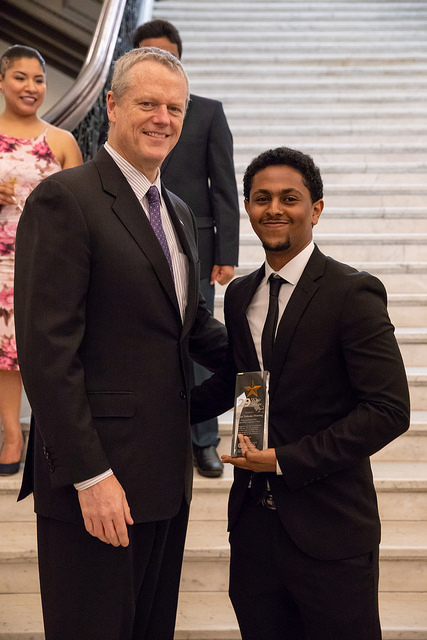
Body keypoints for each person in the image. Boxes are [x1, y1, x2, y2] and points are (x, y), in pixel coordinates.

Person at [14, 47, 227, 640]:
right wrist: (89, 475)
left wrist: (269, 349)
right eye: (148, 103)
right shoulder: (66, 200)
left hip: (164, 478)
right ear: (110, 105)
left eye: (175, 108)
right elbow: (47, 352)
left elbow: (186, 324)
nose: (163, 118)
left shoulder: (178, 211)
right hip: (97, 482)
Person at [191, 147, 410, 640]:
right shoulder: (240, 294)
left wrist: (286, 459)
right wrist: (159, 411)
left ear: (316, 209)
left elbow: (389, 410)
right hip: (253, 531)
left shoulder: (352, 292)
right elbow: (243, 383)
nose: (274, 209)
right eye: (261, 198)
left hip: (330, 528)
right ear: (247, 207)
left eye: (290, 198)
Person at [133, 19, 240, 478]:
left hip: (195, 244)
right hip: (135, 240)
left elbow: (225, 186)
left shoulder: (208, 112)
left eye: (167, 55)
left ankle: (205, 440)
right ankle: (157, 432)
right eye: (147, 54)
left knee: (198, 341)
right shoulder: (130, 113)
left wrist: (227, 251)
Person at [0, 45, 82, 476]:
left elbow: (84, 208)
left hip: (49, 262)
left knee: (46, 349)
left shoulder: (62, 141)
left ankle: (54, 437)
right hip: (0, 262)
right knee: (5, 353)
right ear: (1, 81)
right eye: (20, 77)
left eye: (38, 79)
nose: (30, 87)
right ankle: (12, 435)